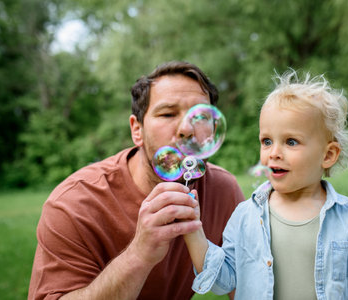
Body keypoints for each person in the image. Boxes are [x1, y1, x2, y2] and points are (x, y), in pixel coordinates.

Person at [28, 61, 245, 300]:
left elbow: (246, 288)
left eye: (201, 116)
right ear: (137, 130)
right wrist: (139, 255)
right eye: (168, 114)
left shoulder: (223, 192)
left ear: (213, 130)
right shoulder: (74, 204)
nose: (187, 129)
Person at [184, 70, 348, 299]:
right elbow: (223, 282)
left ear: (328, 155)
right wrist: (194, 232)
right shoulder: (245, 216)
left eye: (291, 141)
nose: (274, 153)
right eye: (267, 141)